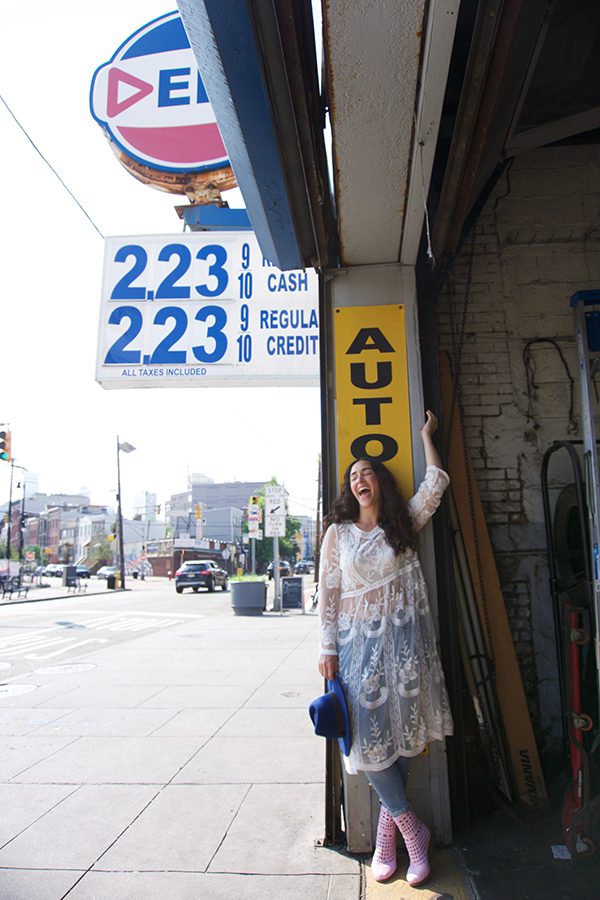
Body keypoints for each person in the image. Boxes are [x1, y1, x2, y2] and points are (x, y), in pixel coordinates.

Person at [318, 411, 453, 886]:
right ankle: (413, 829)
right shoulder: (339, 534)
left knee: (408, 734)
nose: (359, 480)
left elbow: (436, 484)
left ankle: (386, 832)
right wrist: (326, 647)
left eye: (367, 472)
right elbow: (328, 594)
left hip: (406, 645)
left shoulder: (401, 524)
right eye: (353, 476)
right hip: (357, 652)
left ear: (379, 482)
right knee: (369, 743)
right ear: (349, 489)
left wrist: (425, 436)